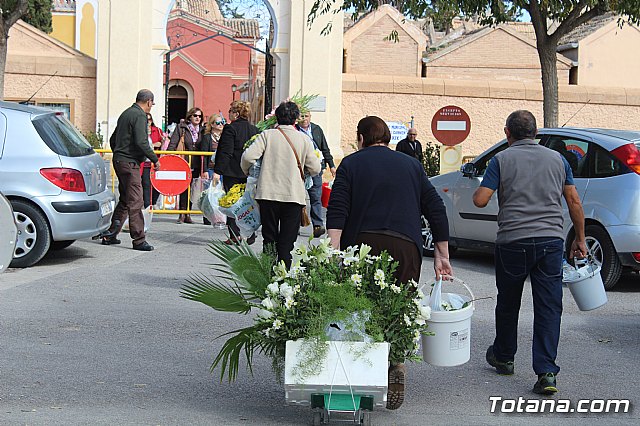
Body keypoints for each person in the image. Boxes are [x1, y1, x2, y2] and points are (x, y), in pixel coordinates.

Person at [326, 116, 452, 410]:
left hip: (363, 244)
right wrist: (442, 255)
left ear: (361, 138)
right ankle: (395, 361)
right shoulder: (411, 165)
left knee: (360, 305)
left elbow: (338, 206)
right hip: (405, 245)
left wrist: (333, 249)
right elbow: (435, 207)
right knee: (398, 307)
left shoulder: (351, 164)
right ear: (389, 139)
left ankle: (360, 369)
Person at [472, 110, 587, 396]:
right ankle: (547, 372)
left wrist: (494, 186)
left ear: (507, 133)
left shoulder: (501, 159)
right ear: (535, 133)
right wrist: (580, 239)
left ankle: (504, 356)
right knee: (549, 307)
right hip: (550, 242)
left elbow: (480, 200)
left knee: (509, 302)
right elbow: (573, 200)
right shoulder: (558, 159)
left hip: (513, 241)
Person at [241, 101, 321, 266]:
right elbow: (315, 168)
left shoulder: (267, 135)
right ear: (295, 119)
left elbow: (248, 157)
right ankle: (283, 281)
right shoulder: (304, 139)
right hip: (293, 196)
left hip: (268, 194)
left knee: (269, 239)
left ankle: (267, 275)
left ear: (276, 117)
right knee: (287, 242)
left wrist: (246, 171)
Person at [102, 89, 159, 251]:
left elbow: (113, 139)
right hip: (130, 162)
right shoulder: (140, 115)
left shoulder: (126, 113)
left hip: (120, 160)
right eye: (151, 104)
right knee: (136, 200)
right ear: (148, 102)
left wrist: (119, 152)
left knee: (126, 198)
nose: (151, 107)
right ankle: (139, 239)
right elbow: (142, 142)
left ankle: (111, 233)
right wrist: (154, 159)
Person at [214, 101, 258, 245]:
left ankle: (235, 235)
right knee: (249, 203)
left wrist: (217, 171)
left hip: (232, 172)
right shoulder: (254, 130)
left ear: (236, 114)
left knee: (232, 203)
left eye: (231, 111)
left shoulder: (230, 129)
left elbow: (226, 151)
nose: (229, 113)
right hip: (249, 173)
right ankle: (251, 232)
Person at [297, 111, 336, 238]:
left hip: (316, 168)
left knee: (316, 197)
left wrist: (332, 165)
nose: (304, 119)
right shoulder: (294, 129)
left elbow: (325, 148)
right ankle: (295, 225)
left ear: (310, 117)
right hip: (300, 169)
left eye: (306, 116)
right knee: (298, 198)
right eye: (301, 116)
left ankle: (317, 226)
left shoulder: (316, 129)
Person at [168, 107, 204, 224]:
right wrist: (170, 157)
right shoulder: (182, 128)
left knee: (192, 187)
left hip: (197, 163)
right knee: (184, 187)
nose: (198, 118)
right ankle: (182, 213)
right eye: (195, 116)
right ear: (190, 117)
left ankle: (188, 212)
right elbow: (173, 143)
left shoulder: (203, 130)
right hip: (184, 162)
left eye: (199, 116)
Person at [200, 113, 225, 225]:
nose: (220, 125)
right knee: (209, 193)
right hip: (210, 169)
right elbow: (204, 155)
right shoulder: (207, 137)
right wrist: (204, 170)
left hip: (221, 169)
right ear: (212, 124)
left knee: (220, 193)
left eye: (222, 122)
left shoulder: (225, 136)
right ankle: (207, 217)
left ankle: (219, 216)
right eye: (218, 123)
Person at [141, 113, 163, 208]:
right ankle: (147, 205)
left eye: (150, 120)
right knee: (146, 184)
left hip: (156, 162)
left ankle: (153, 202)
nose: (148, 122)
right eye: (146, 120)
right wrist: (153, 145)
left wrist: (163, 142)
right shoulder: (140, 131)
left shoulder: (157, 130)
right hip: (145, 163)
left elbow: (162, 143)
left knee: (158, 184)